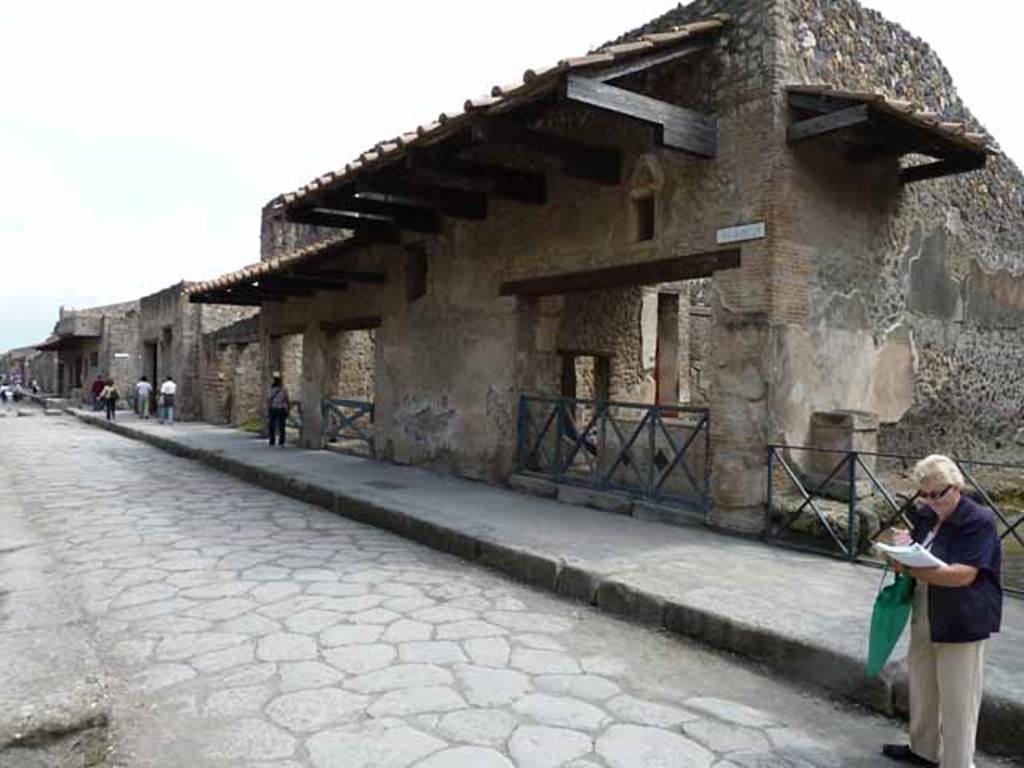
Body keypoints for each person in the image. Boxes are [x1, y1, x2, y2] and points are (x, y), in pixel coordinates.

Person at [882, 454, 1002, 768]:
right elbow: (918, 551)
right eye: (926, 494)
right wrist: (901, 547)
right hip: (926, 608)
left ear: (956, 486)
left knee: (958, 698)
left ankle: (958, 763)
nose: (933, 501)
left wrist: (910, 569)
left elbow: (964, 574)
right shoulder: (926, 514)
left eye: (940, 493)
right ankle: (923, 751)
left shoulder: (978, 520)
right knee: (922, 684)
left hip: (963, 616)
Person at [267, 372, 290, 447]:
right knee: (281, 426)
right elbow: (286, 399)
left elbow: (270, 399)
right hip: (281, 408)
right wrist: (288, 408)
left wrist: (269, 407)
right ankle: (281, 441)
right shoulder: (284, 389)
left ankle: (272, 440)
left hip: (274, 408)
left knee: (272, 425)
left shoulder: (272, 389)